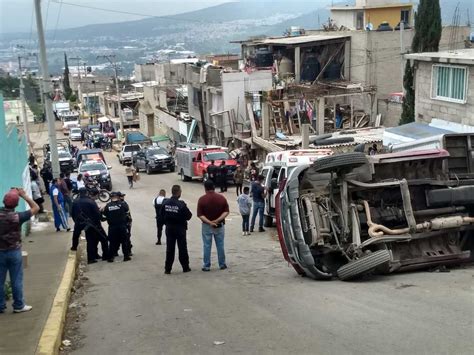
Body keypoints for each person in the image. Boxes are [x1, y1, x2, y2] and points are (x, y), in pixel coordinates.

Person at [0, 188, 39, 313]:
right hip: (14, 251)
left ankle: (0, 306)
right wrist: (24, 195)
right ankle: (18, 305)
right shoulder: (18, 217)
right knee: (16, 279)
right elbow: (36, 208)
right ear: (16, 204)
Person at [197, 180, 230, 271]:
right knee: (220, 245)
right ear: (214, 187)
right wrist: (217, 220)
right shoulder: (221, 198)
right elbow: (226, 211)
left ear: (205, 188)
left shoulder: (202, 199)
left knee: (207, 245)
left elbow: (200, 215)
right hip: (219, 225)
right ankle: (222, 264)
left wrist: (210, 222)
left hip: (207, 226)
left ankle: (206, 265)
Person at [71, 188, 109, 263]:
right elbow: (97, 214)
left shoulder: (75, 202)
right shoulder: (91, 202)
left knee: (76, 235)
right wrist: (98, 224)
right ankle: (100, 256)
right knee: (98, 239)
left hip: (79, 222)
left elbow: (72, 213)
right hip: (91, 224)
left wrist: (76, 221)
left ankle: (74, 247)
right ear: (87, 193)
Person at [161, 185, 192, 274]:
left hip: (169, 228)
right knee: (182, 248)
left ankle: (168, 269)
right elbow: (189, 216)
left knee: (170, 248)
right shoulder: (181, 204)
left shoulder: (165, 203)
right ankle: (185, 267)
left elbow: (161, 215)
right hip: (180, 228)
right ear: (178, 192)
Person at [102, 192, 131, 262]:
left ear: (111, 198)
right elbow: (128, 215)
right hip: (122, 226)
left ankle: (110, 258)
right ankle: (126, 256)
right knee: (124, 241)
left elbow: (103, 217)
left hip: (112, 227)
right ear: (118, 197)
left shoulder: (108, 206)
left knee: (112, 242)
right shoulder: (123, 204)